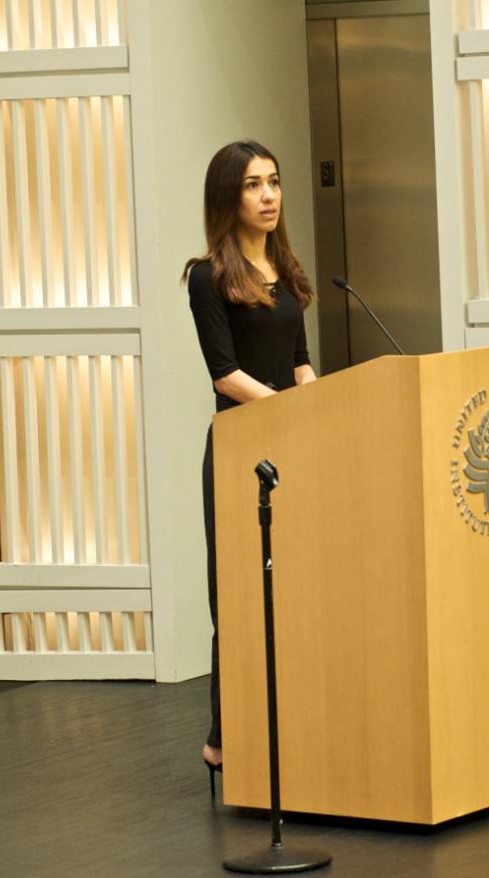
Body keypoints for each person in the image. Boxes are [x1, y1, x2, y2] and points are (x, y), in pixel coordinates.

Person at [183, 139, 317, 795]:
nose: (269, 196)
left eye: (275, 181)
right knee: (238, 597)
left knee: (295, 594)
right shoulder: (208, 276)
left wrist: (320, 409)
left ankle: (290, 729)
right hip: (241, 452)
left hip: (294, 445)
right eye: (253, 185)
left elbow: (300, 361)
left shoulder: (285, 269)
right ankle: (223, 738)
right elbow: (225, 373)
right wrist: (289, 409)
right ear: (228, 197)